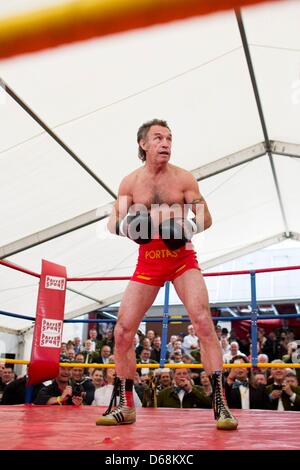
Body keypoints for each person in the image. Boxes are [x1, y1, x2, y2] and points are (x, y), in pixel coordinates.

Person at [95, 118, 237, 430]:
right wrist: (126, 227)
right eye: (158, 137)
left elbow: (207, 217)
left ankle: (221, 407)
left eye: (169, 138)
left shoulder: (184, 178)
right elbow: (112, 220)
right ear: (143, 144)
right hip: (148, 261)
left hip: (181, 258)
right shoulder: (129, 183)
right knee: (121, 332)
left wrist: (188, 226)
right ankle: (125, 406)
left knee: (203, 322)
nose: (166, 143)